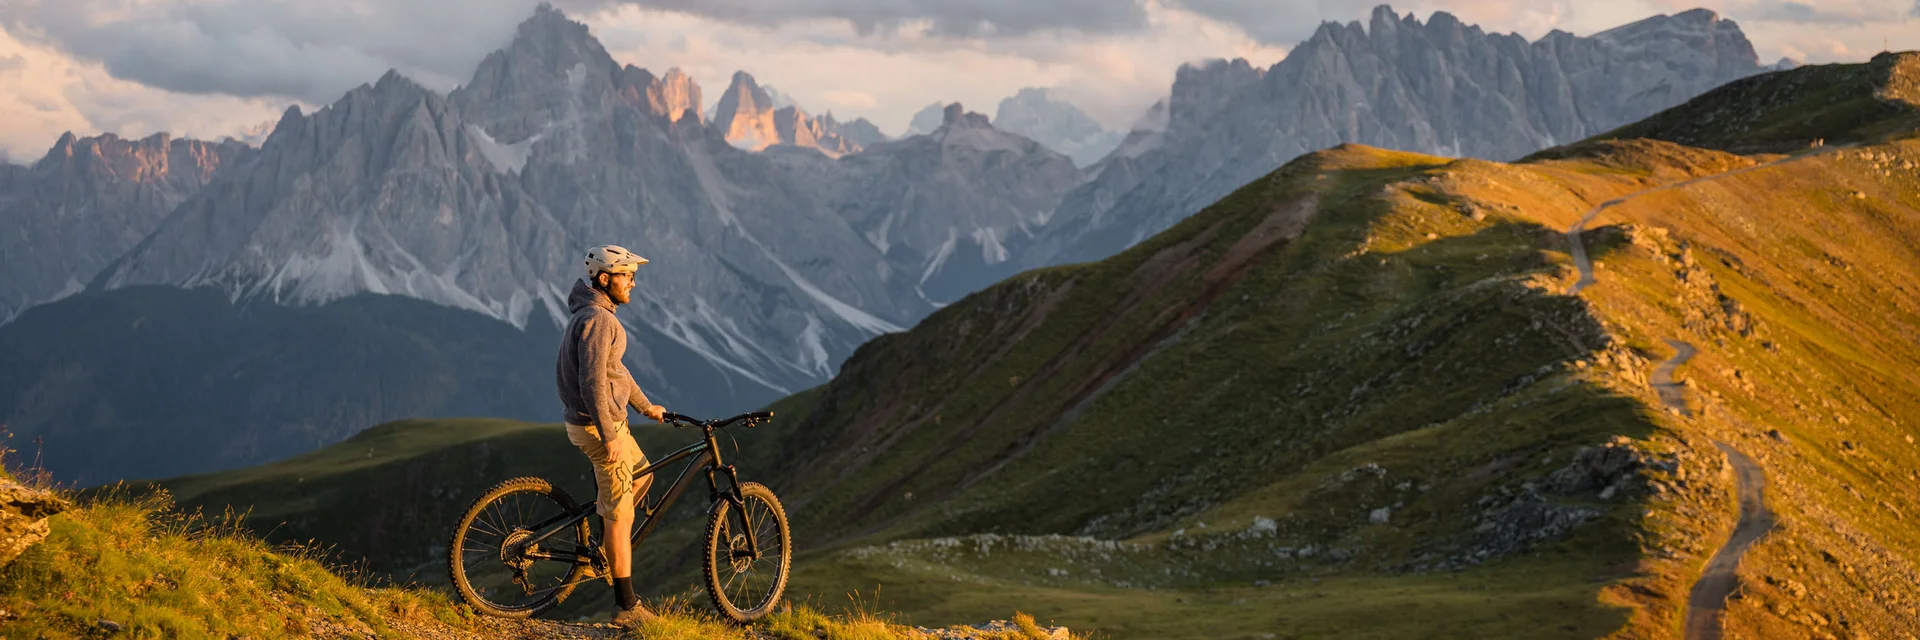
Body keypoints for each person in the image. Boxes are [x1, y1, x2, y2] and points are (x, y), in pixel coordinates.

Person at [556, 244, 668, 624]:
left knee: (644, 473)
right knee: (621, 517)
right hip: (597, 426)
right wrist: (609, 436)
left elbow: (614, 371)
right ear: (605, 279)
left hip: (604, 421)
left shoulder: (594, 314)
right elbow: (591, 382)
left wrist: (644, 405)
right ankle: (626, 607)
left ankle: (603, 545)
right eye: (627, 276)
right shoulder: (599, 320)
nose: (633, 284)